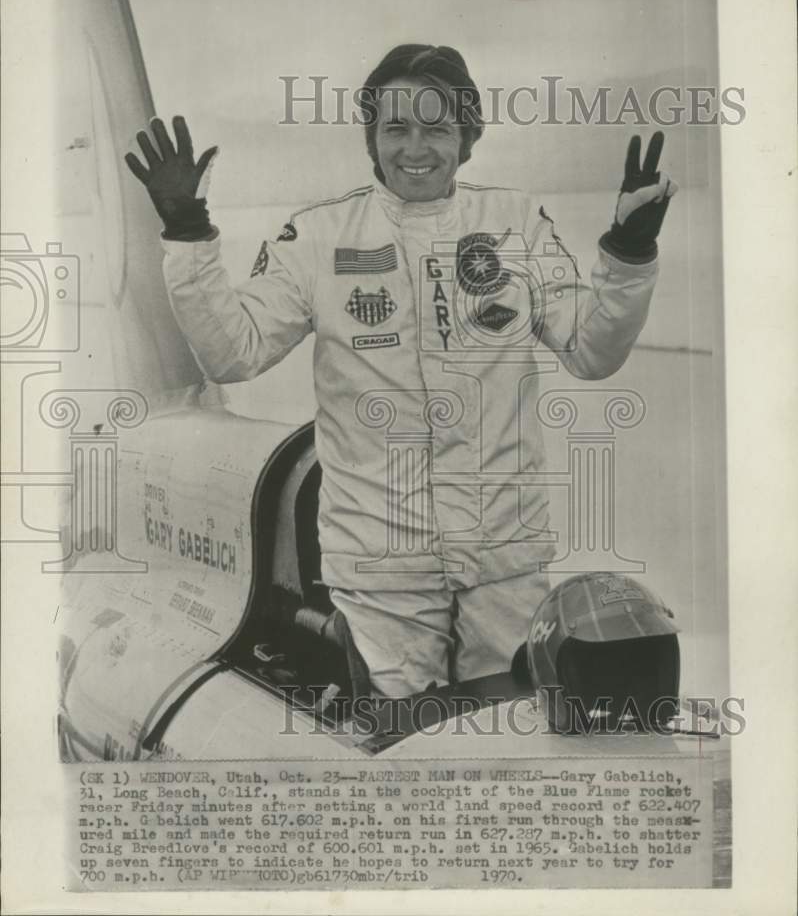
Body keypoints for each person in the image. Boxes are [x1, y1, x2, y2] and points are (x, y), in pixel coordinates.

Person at [125, 43, 677, 698]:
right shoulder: (320, 237)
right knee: (401, 749)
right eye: (396, 128)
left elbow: (592, 351)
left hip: (506, 564)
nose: (416, 148)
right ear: (372, 138)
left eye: (437, 128)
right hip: (381, 576)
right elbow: (233, 353)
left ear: (467, 138)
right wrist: (188, 234)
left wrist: (630, 253)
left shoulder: (515, 225)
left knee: (506, 750)